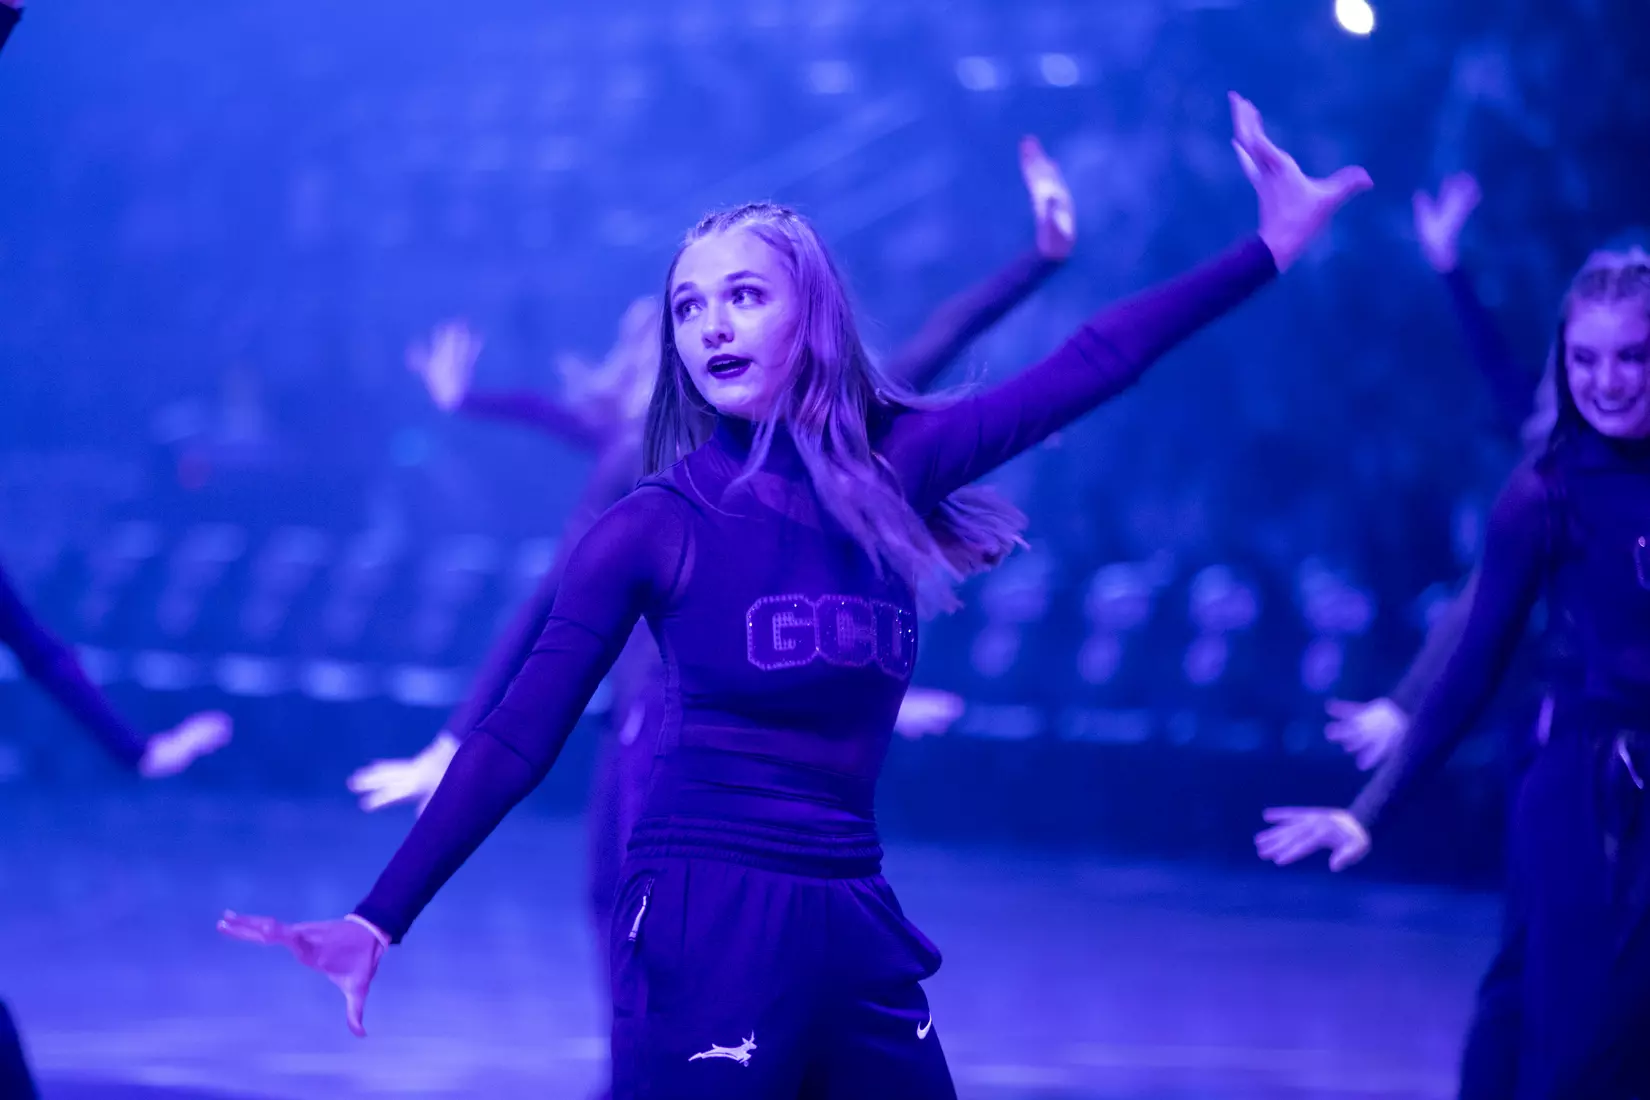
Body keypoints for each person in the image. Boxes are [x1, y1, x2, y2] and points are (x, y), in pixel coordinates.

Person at [223, 93, 1369, 1099]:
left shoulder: (899, 467)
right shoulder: (653, 522)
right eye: (689, 307)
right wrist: (382, 913)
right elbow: (521, 734)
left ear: (807, 313)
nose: (712, 324)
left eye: (744, 296)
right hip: (703, 913)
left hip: (855, 913)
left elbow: (1093, 360)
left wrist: (1267, 247)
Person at [1258, 256, 1650, 1098]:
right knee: (1581, 1046)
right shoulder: (1546, 494)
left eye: (1633, 357)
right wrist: (1371, 810)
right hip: (1590, 796)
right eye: (1585, 359)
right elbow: (1474, 662)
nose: (1607, 380)